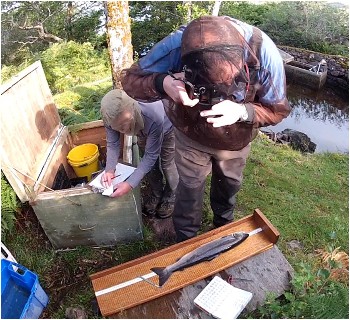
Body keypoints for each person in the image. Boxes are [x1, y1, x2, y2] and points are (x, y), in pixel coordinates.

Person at [121, 16, 291, 241]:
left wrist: (243, 112)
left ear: (242, 58)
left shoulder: (263, 52)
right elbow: (130, 80)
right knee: (189, 190)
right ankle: (185, 240)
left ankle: (223, 228)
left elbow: (277, 110)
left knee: (228, 187)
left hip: (235, 139)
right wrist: (162, 83)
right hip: (190, 134)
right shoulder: (176, 44)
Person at [100, 89, 178, 219]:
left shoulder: (153, 114)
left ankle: (171, 196)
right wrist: (109, 169)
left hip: (166, 128)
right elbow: (113, 144)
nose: (123, 131)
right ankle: (156, 193)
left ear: (132, 111)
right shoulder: (109, 117)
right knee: (151, 168)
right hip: (141, 131)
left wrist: (130, 183)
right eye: (118, 128)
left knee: (167, 164)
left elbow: (151, 155)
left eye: (125, 125)